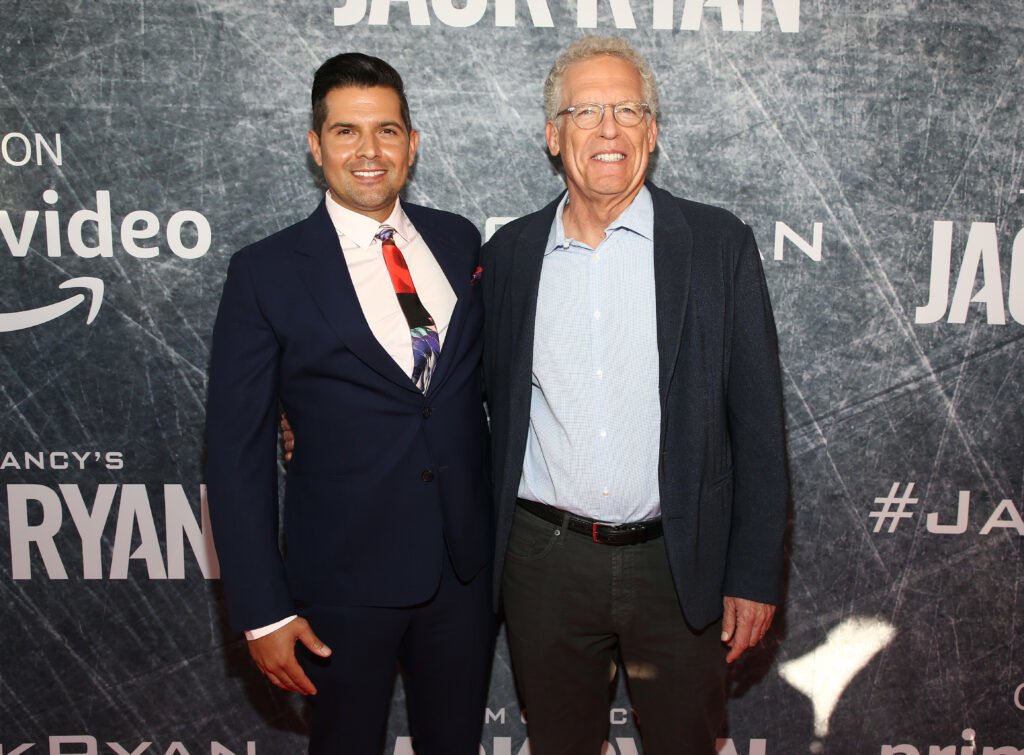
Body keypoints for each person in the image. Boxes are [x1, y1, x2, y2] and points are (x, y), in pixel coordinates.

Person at [481, 36, 789, 754]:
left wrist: (753, 574)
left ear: (653, 130)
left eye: (629, 108)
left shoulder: (717, 244)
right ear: (552, 135)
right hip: (544, 562)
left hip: (677, 562)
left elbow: (759, 422)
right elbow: (470, 403)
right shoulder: (510, 256)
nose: (609, 128)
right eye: (586, 110)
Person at [204, 52, 494, 755]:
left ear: (413, 143)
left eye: (387, 130)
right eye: (346, 132)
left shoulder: (460, 241)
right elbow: (234, 453)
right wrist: (262, 609)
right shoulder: (266, 271)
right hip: (340, 578)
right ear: (315, 145)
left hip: (463, 571)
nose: (369, 151)